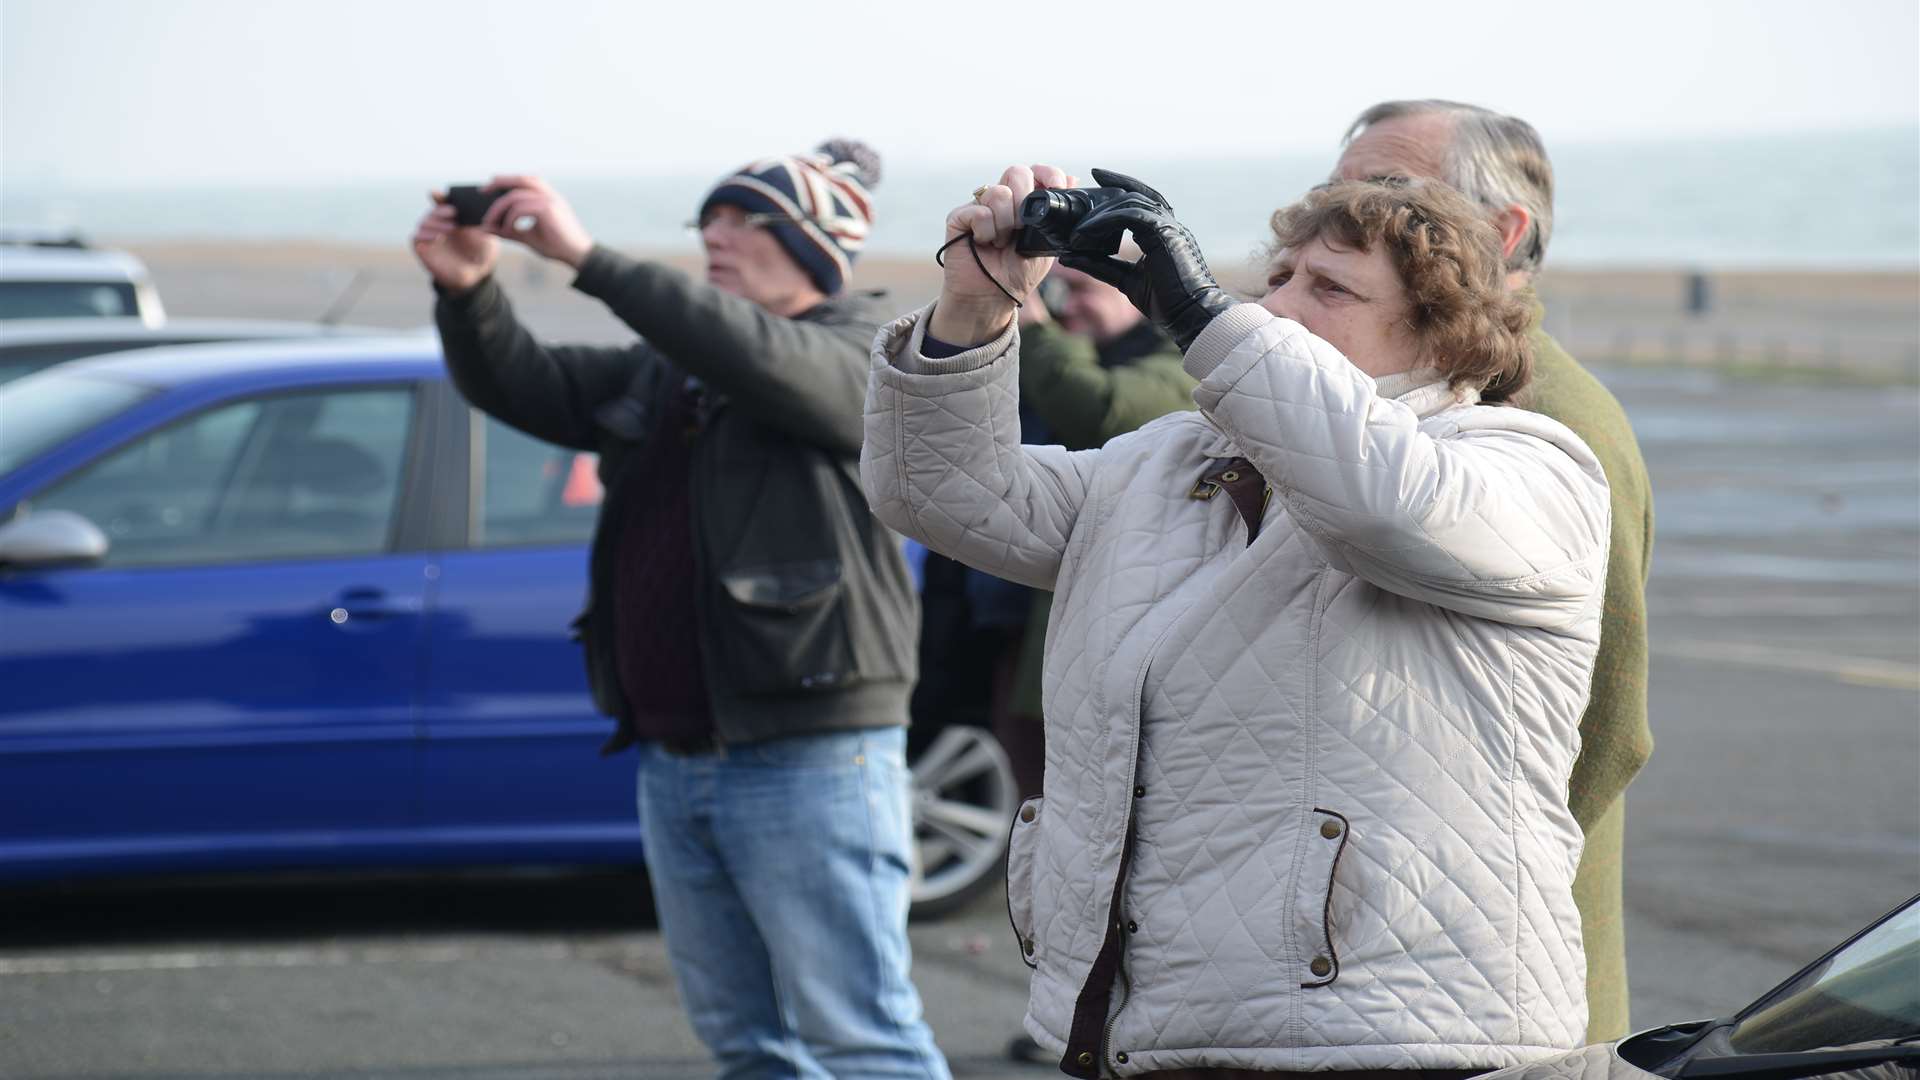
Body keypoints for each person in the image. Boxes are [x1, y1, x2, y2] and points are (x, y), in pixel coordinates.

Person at [862, 166, 1611, 1076]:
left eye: (1330, 286)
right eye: (1276, 281)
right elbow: (944, 494)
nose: (1280, 306)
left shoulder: (1527, 468)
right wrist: (976, 306)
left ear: (1444, 336)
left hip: (1400, 1034)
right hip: (1160, 1025)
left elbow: (1378, 501)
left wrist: (1202, 315)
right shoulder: (1171, 461)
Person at [411, 141, 949, 1079]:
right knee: (747, 1046)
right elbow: (528, 383)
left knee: (862, 1041)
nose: (716, 235)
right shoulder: (676, 367)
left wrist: (587, 259)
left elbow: (766, 362)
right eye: (709, 219)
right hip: (676, 756)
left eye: (746, 220)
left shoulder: (866, 353)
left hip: (811, 752)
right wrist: (469, 294)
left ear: (820, 248)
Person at [1333, 99, 1655, 1043]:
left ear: (1505, 233)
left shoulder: (1554, 416)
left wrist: (1457, 895)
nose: (1347, 214)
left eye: (1387, 191)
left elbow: (1609, 720)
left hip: (1497, 986)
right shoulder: (1411, 385)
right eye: (1338, 188)